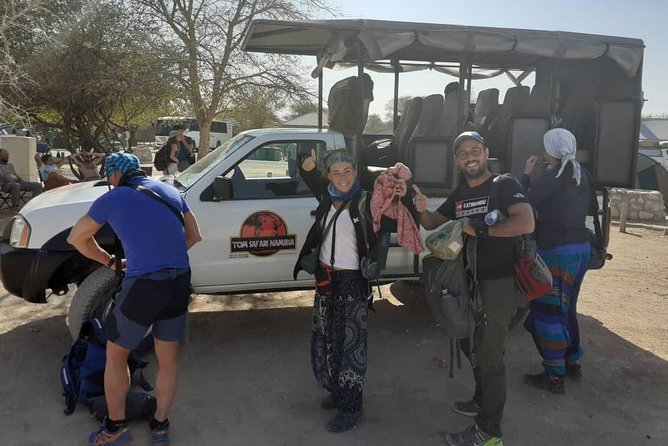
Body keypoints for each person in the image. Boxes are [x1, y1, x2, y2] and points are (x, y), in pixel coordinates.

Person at [67, 152, 202, 446]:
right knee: (168, 359)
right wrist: (165, 257)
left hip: (144, 286)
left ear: (115, 175)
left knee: (116, 354)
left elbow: (76, 238)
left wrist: (109, 261)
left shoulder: (113, 198)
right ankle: (160, 426)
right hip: (179, 281)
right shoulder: (171, 191)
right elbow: (194, 236)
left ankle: (116, 430)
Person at [414, 131, 535, 446]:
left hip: (499, 284)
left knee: (490, 356)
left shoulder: (504, 185)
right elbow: (430, 223)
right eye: (463, 152)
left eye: (475, 150)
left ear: (486, 153)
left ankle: (489, 433)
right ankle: (482, 401)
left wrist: (481, 228)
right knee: (472, 346)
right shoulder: (460, 194)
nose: (470, 156)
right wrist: (420, 207)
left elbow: (525, 223)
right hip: (468, 283)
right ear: (456, 160)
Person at [293, 148, 397, 433]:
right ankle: (338, 391)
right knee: (327, 337)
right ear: (330, 175)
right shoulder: (328, 197)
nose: (342, 177)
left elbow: (393, 215)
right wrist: (306, 164)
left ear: (355, 171)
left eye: (347, 171)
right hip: (326, 279)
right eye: (336, 172)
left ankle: (352, 407)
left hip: (352, 281)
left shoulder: (367, 202)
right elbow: (309, 173)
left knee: (350, 344)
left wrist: (401, 193)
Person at [520, 128, 592, 394]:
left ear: (549, 149)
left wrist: (526, 174)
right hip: (580, 250)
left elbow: (525, 204)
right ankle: (571, 361)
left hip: (556, 253)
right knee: (566, 308)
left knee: (547, 312)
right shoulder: (580, 173)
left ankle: (554, 376)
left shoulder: (554, 176)